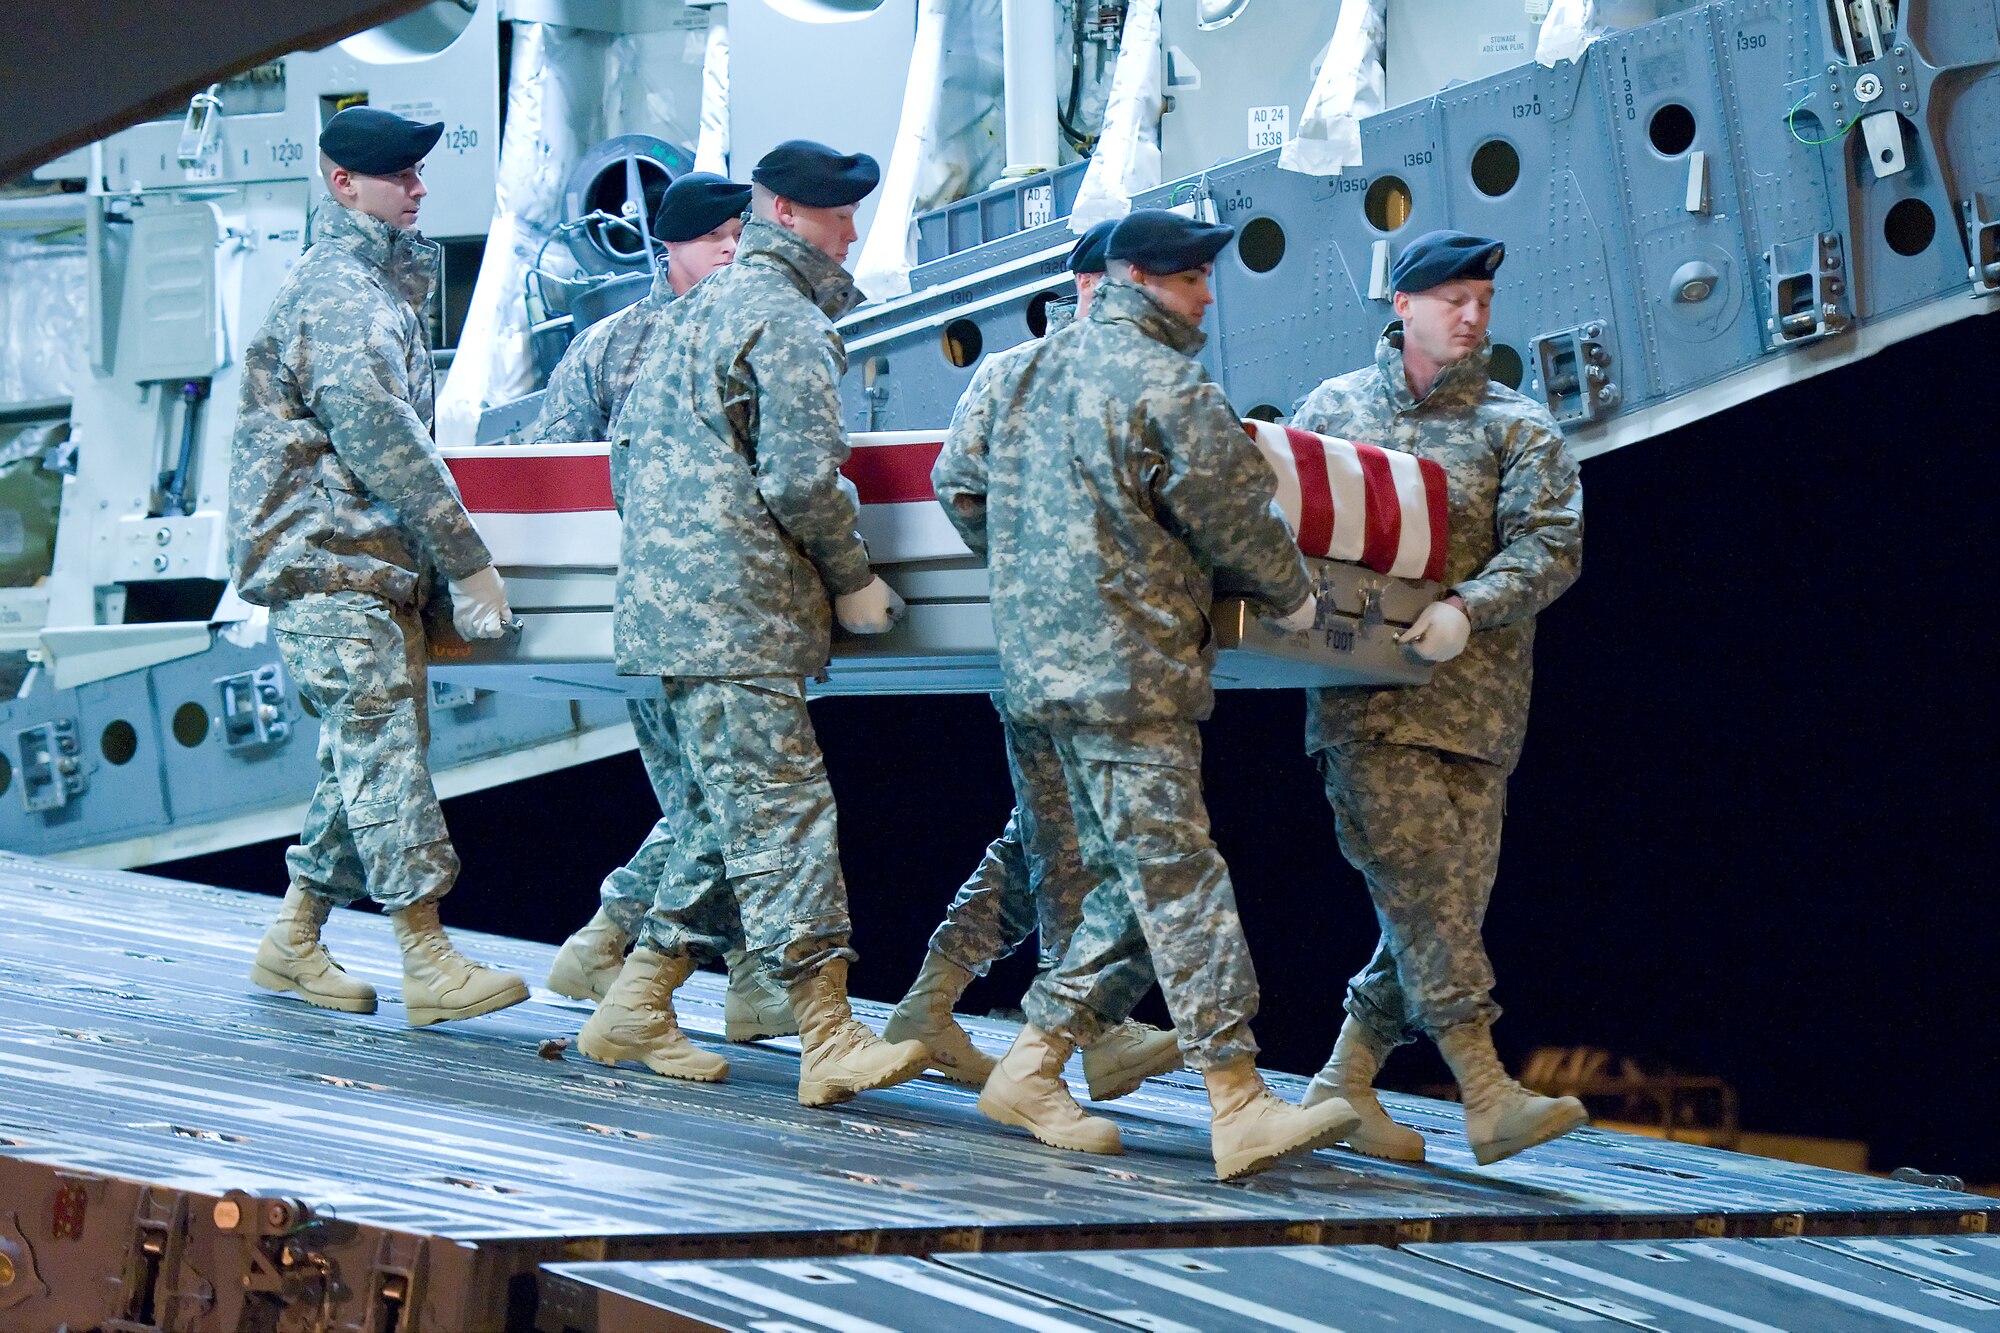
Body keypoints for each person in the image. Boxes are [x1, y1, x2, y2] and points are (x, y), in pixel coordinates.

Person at [932, 208, 1360, 1180]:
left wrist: (1031, 579)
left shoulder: (1020, 373)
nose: (1205, 294)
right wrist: (1292, 596)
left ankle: (1037, 1060)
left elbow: (954, 483)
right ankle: (1234, 1100)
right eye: (1190, 278)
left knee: (1130, 876)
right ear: (1140, 279)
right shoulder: (1170, 386)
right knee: (1173, 873)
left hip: (1035, 672)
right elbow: (1241, 526)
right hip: (1129, 671)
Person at [575, 140, 930, 1108]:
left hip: (674, 608)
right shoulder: (786, 321)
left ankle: (635, 996)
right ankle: (825, 1036)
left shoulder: (686, 317)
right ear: (784, 215)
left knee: (730, 819)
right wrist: (851, 578)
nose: (850, 231)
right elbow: (800, 478)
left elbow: (622, 463)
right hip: (740, 611)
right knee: (786, 816)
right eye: (835, 214)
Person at [1290, 229, 1588, 1166]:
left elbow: (1551, 547)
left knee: (1440, 913)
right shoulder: (1332, 409)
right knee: (1424, 902)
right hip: (1366, 704)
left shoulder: (1518, 428)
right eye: (1454, 300)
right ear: (1402, 306)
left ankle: (1344, 1082)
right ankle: (1488, 1093)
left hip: (1477, 716)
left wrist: (1472, 604)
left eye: (1484, 303)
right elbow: (1282, 524)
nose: (1473, 318)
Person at [231, 107, 527, 1027]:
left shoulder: (372, 288)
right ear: (343, 185)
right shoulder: (341, 295)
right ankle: (426, 958)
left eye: (417, 172)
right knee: (383, 749)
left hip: (361, 568)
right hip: (327, 567)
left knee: (364, 759)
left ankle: (294, 939)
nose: (419, 188)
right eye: (399, 175)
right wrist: (469, 561)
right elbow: (387, 443)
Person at [883, 221, 1181, 1104]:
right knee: (1072, 842)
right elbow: (958, 482)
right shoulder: (1047, 375)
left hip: (1061, 645)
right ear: (1095, 288)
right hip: (1073, 650)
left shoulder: (1016, 375)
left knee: (1040, 833)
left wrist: (1015, 561)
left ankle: (931, 1001)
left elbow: (957, 481)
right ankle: (1079, 1036)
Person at [532, 173, 794, 1044]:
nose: (731, 247)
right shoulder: (614, 348)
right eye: (713, 235)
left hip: (735, 603)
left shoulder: (753, 326)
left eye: (739, 233)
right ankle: (621, 942)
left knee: (715, 800)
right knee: (719, 803)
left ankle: (722, 970)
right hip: (657, 602)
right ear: (668, 248)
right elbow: (552, 469)